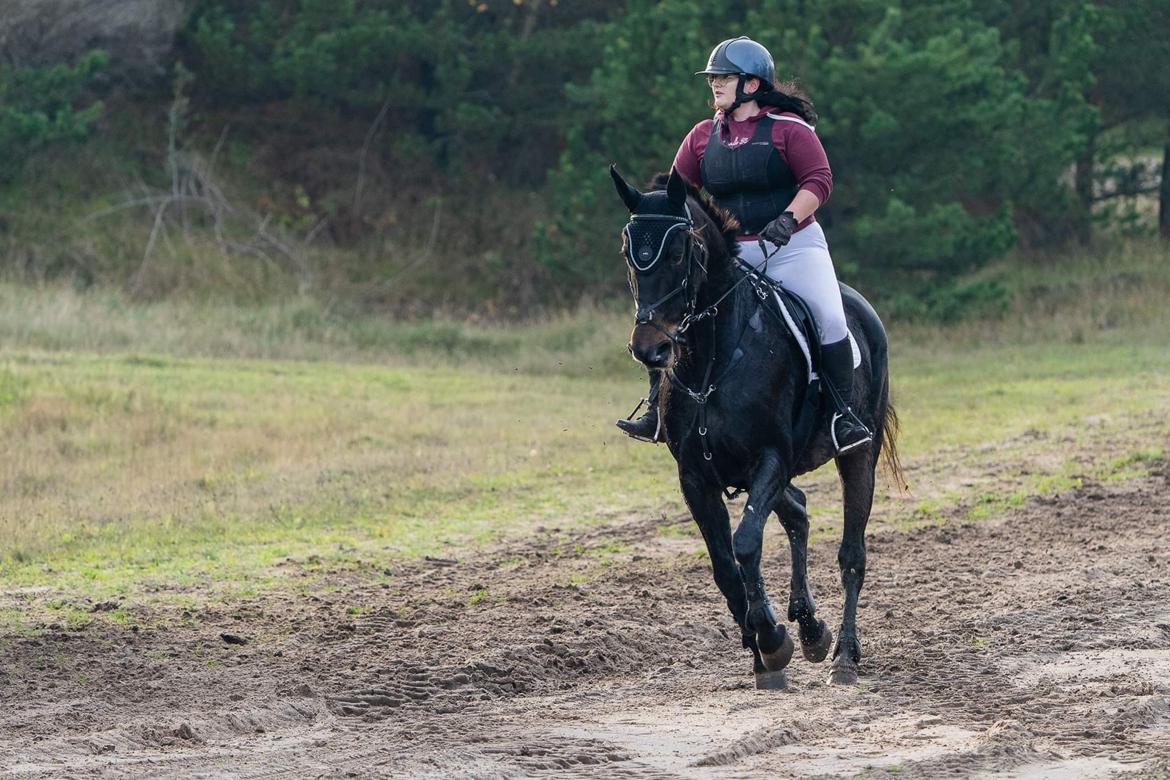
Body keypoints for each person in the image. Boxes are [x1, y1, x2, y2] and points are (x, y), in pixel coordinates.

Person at [617, 36, 872, 455]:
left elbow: (819, 180)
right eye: (713, 78)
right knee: (673, 315)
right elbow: (674, 191)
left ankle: (844, 416)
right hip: (732, 256)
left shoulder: (790, 130)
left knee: (828, 317)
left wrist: (788, 219)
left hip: (793, 248)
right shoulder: (701, 136)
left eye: (724, 77)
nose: (714, 84)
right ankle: (657, 409)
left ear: (751, 85)